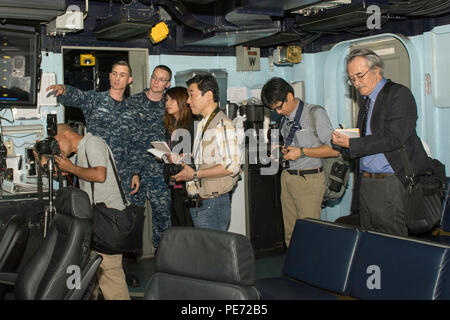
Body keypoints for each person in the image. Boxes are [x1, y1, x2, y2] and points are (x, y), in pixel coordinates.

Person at [332, 48, 432, 236]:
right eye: (352, 79)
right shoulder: (367, 101)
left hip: (391, 183)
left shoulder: (399, 95)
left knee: (393, 242)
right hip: (367, 183)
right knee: (370, 239)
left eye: (360, 76)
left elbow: (394, 138)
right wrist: (346, 142)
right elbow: (368, 138)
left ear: (376, 70)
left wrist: (353, 144)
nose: (356, 83)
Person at [47, 124, 130, 300]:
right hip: (96, 218)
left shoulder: (93, 143)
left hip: (108, 219)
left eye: (57, 143)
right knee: (87, 273)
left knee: (110, 273)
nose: (57, 149)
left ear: (67, 135)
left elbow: (100, 175)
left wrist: (70, 168)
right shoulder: (80, 153)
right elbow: (64, 174)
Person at [260, 77, 339, 247]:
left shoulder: (315, 114)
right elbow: (294, 145)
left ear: (289, 96)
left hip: (309, 181)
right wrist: (286, 151)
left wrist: (302, 152)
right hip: (288, 178)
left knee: (309, 236)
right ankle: (294, 272)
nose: (278, 112)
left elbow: (334, 149)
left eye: (279, 107)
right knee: (291, 235)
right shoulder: (285, 119)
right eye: (274, 109)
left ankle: (312, 272)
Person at [46, 61, 140, 200]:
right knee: (96, 213)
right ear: (109, 76)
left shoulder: (132, 110)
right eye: (114, 74)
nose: (117, 78)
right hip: (94, 170)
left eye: (122, 75)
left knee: (120, 215)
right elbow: (78, 97)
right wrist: (64, 90)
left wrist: (135, 173)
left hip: (121, 174)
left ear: (129, 80)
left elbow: (134, 144)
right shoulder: (95, 100)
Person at [172, 74, 241, 231]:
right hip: (202, 201)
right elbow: (208, 158)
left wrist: (195, 175)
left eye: (192, 95)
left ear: (208, 95)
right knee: (205, 253)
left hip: (213, 203)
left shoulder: (222, 124)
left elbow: (232, 167)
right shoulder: (204, 123)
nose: (188, 101)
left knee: (212, 253)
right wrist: (186, 158)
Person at [127, 65, 172, 251]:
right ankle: (129, 261)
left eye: (161, 79)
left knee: (162, 215)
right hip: (135, 170)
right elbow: (125, 137)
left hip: (159, 170)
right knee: (132, 217)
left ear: (167, 84)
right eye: (154, 77)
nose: (156, 82)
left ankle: (163, 255)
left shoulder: (169, 106)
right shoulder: (133, 102)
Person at [163, 86, 194, 227]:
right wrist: (164, 155)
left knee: (186, 220)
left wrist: (179, 157)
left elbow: (195, 153)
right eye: (167, 99)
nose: (167, 103)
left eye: (172, 99)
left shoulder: (190, 124)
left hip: (187, 180)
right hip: (174, 179)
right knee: (176, 217)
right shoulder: (171, 125)